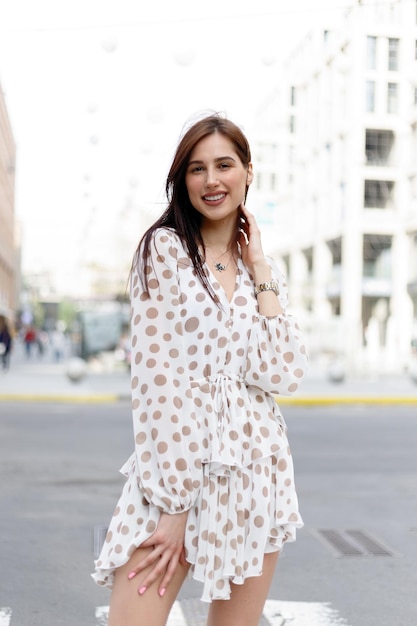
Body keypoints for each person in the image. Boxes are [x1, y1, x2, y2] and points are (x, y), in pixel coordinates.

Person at [92, 113, 308, 626]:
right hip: (175, 475)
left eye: (224, 165)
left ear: (248, 173)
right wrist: (174, 506)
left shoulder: (257, 262)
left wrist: (259, 267)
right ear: (182, 179)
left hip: (255, 471)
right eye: (197, 168)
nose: (211, 180)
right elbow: (157, 385)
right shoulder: (163, 251)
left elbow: (283, 372)